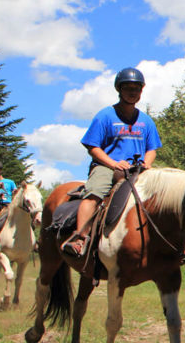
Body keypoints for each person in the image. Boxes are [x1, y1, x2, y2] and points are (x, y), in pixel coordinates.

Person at [61, 67, 162, 258]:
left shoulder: (146, 121)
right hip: (107, 167)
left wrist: (147, 164)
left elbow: (152, 149)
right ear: (119, 89)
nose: (133, 92)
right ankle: (80, 238)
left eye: (137, 89)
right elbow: (93, 147)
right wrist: (113, 163)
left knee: (164, 198)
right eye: (128, 88)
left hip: (138, 169)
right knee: (94, 193)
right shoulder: (105, 116)